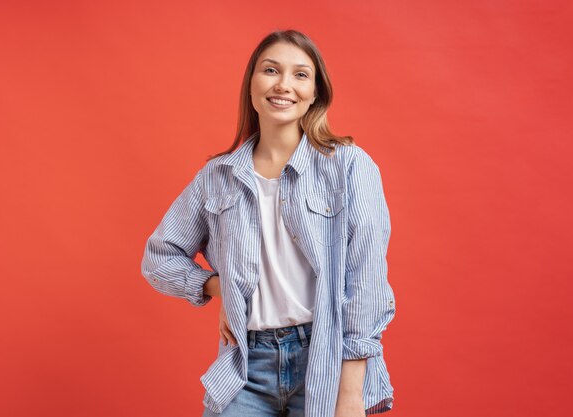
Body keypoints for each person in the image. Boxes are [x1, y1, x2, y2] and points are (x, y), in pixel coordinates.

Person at [141, 29, 396, 417]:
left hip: (326, 358)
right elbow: (159, 258)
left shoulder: (348, 166)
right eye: (271, 70)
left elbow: (367, 281)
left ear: (316, 93)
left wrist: (350, 394)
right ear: (252, 84)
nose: (283, 85)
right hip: (247, 365)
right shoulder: (218, 176)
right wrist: (217, 285)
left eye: (300, 75)